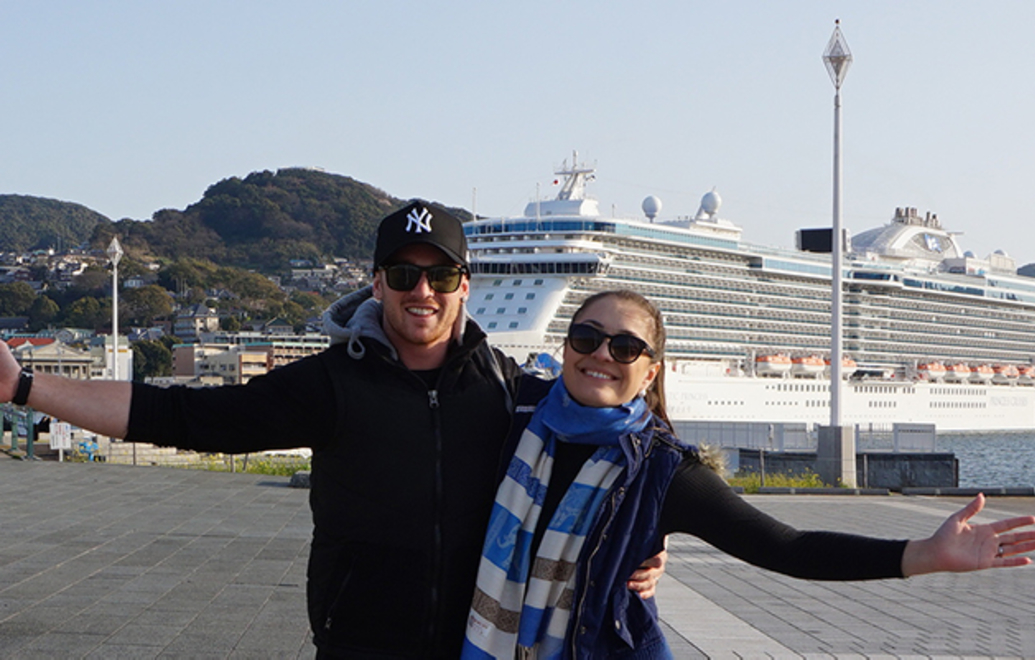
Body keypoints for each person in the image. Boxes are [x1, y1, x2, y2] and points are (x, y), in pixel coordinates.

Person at [0, 202, 662, 659]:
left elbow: (600, 448)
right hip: (356, 645)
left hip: (473, 644)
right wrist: (25, 388)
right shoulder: (328, 383)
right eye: (403, 274)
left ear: (466, 286)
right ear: (377, 284)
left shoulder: (506, 386)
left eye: (440, 275)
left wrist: (639, 547)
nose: (421, 291)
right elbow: (184, 416)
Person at [462, 290, 1035, 659]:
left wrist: (922, 554)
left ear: (652, 370)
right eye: (586, 338)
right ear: (565, 347)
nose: (601, 355)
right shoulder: (510, 410)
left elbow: (786, 548)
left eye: (625, 346)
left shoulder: (665, 472)